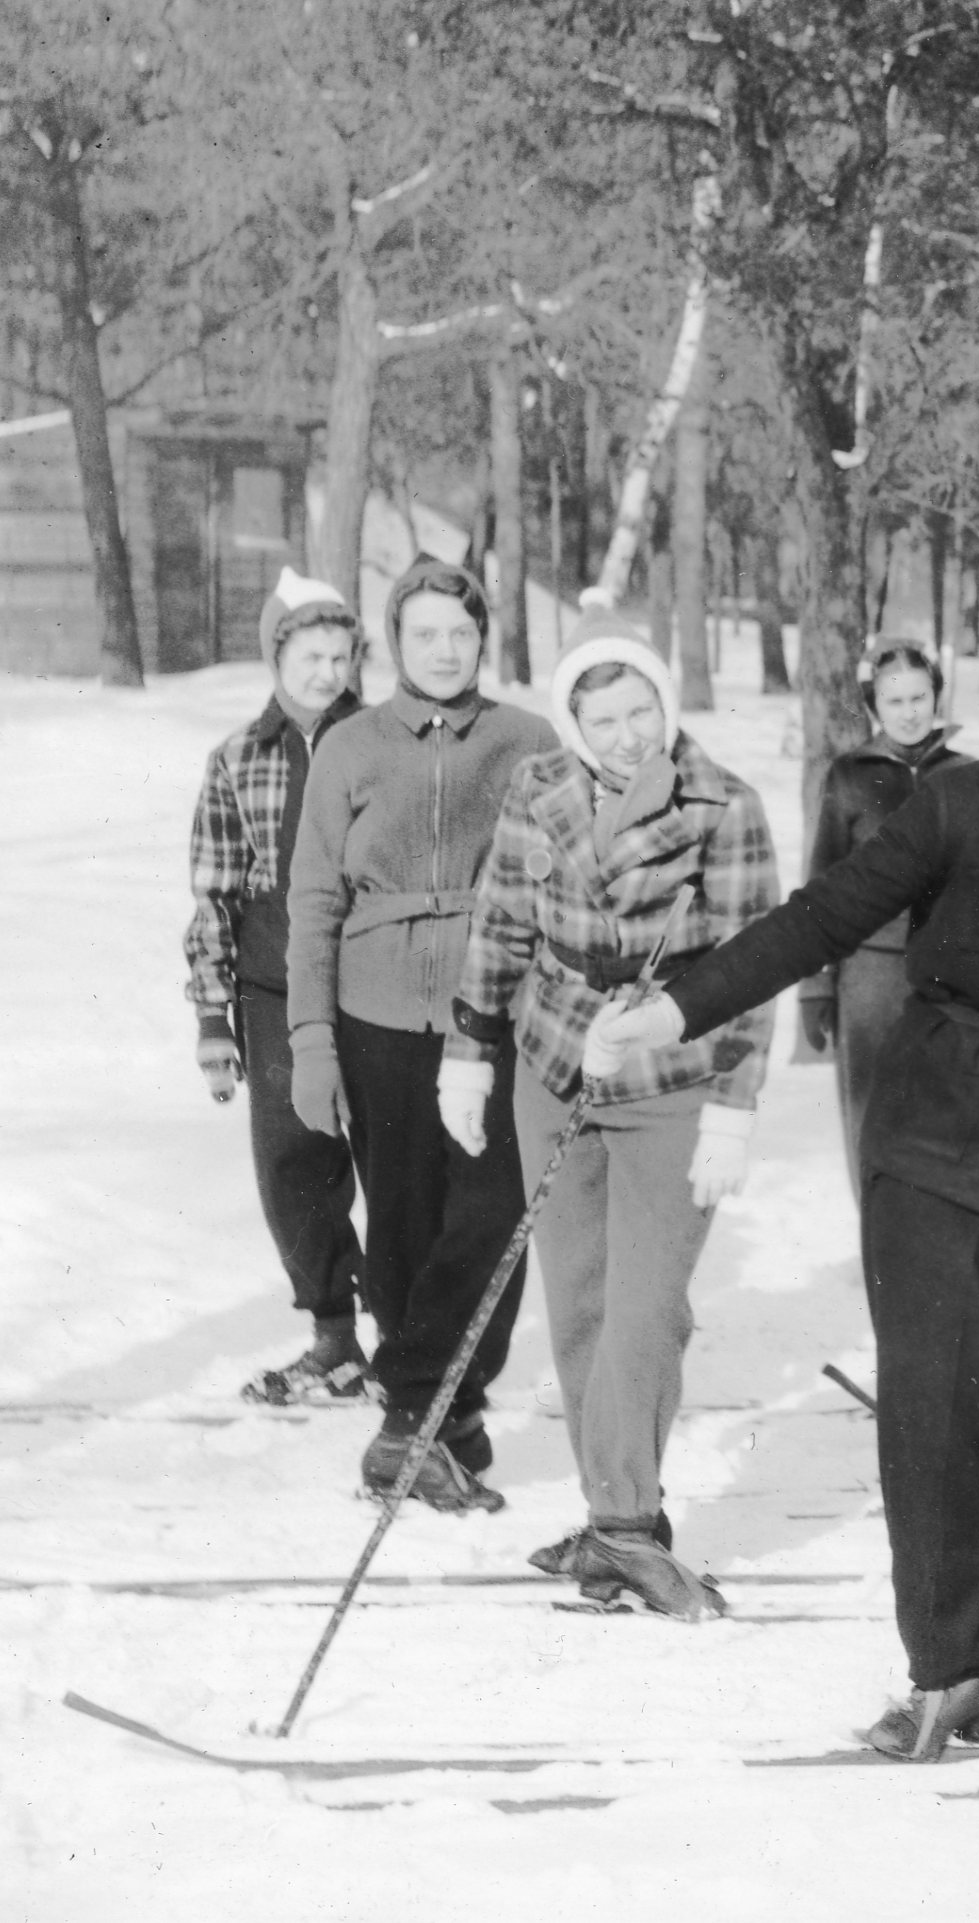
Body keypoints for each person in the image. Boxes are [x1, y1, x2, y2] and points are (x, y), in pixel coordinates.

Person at [586, 607, 979, 1777]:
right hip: (939, 1144)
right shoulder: (960, 804)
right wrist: (678, 1008)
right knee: (937, 1418)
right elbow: (823, 917)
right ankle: (958, 1671)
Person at [447, 610, 781, 1622]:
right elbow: (501, 921)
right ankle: (615, 1518)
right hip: (552, 1063)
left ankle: (629, 1526)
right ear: (574, 721)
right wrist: (469, 1051)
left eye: (642, 709)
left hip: (670, 1071)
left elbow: (754, 964)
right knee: (581, 1305)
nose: (628, 732)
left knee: (646, 1310)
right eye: (604, 716)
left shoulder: (722, 804)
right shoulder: (537, 789)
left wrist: (734, 1105)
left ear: (665, 704)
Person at [286, 557, 558, 1514]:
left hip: (499, 1015)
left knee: (493, 1219)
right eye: (425, 634)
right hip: (379, 1013)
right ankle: (439, 1419)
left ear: (485, 638)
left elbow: (561, 880)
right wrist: (312, 1037)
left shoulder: (530, 740)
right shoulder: (350, 746)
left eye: (462, 633)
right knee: (401, 1226)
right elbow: (313, 899)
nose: (446, 651)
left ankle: (421, 1412)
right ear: (394, 643)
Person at [186, 569, 370, 1406]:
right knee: (295, 1161)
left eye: (341, 655)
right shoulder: (236, 757)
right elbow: (214, 893)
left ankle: (409, 1341)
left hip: (374, 980)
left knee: (395, 1156)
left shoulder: (381, 744)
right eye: (310, 654)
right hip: (270, 984)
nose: (327, 671)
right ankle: (334, 1336)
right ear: (276, 656)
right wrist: (212, 1017)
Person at [798, 636, 968, 1202]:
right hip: (869, 977)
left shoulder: (969, 775)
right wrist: (815, 988)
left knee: (950, 1113)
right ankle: (880, 1239)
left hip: (953, 977)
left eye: (920, 697)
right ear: (874, 706)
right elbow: (822, 886)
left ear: (936, 696)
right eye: (895, 702)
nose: (910, 711)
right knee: (871, 1113)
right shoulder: (849, 776)